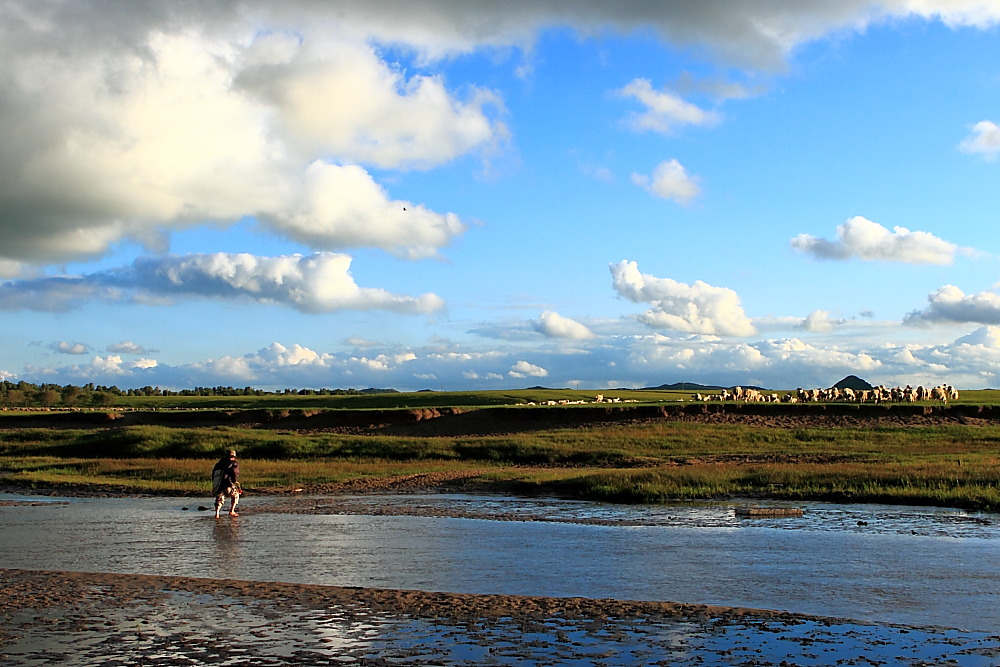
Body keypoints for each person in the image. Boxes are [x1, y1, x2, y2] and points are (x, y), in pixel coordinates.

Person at [212, 449, 241, 518]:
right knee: (236, 494)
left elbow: (214, 474)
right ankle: (232, 511)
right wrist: (234, 481)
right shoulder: (233, 463)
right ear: (234, 456)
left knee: (219, 499)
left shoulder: (219, 463)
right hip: (228, 484)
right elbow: (235, 473)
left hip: (218, 485)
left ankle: (217, 514)